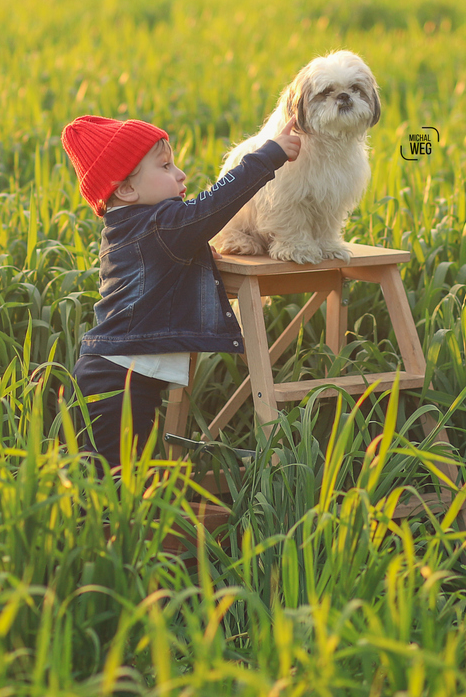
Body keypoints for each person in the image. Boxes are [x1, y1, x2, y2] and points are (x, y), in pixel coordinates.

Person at [60, 114, 302, 467]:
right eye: (165, 166)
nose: (180, 174)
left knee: (105, 477)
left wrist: (199, 256)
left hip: (115, 373)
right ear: (126, 189)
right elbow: (209, 209)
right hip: (120, 381)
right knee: (111, 482)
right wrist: (269, 156)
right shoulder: (159, 226)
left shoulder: (135, 226)